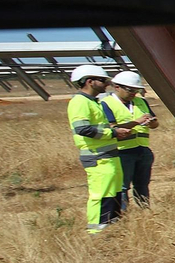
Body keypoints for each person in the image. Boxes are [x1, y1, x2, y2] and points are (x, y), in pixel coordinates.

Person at [67, 64, 133, 233]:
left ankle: (111, 224)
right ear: (90, 82)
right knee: (101, 193)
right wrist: (113, 132)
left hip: (109, 155)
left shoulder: (94, 102)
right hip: (97, 157)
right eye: (103, 81)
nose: (106, 84)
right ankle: (97, 230)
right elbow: (83, 129)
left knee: (113, 191)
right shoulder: (80, 102)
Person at [102, 70, 160, 209]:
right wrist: (137, 122)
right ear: (117, 87)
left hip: (142, 150)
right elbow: (112, 127)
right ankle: (122, 214)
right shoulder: (106, 103)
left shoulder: (141, 102)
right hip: (122, 152)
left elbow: (155, 124)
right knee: (122, 187)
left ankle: (144, 210)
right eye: (130, 90)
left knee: (142, 185)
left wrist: (151, 122)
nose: (134, 93)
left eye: (136, 90)